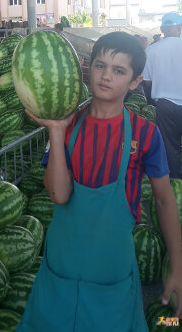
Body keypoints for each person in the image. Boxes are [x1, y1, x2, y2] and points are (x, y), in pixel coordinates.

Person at [17, 31, 182, 332]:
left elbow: (164, 200)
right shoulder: (67, 125)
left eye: (119, 70)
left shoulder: (146, 134)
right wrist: (55, 130)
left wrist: (177, 265)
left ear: (135, 81)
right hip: (60, 269)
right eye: (100, 65)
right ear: (88, 69)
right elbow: (58, 195)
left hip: (113, 273)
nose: (106, 76)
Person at [142, 12, 182, 179]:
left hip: (165, 107)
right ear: (179, 28)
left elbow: (147, 82)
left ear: (162, 28)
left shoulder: (151, 50)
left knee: (170, 148)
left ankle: (176, 184)